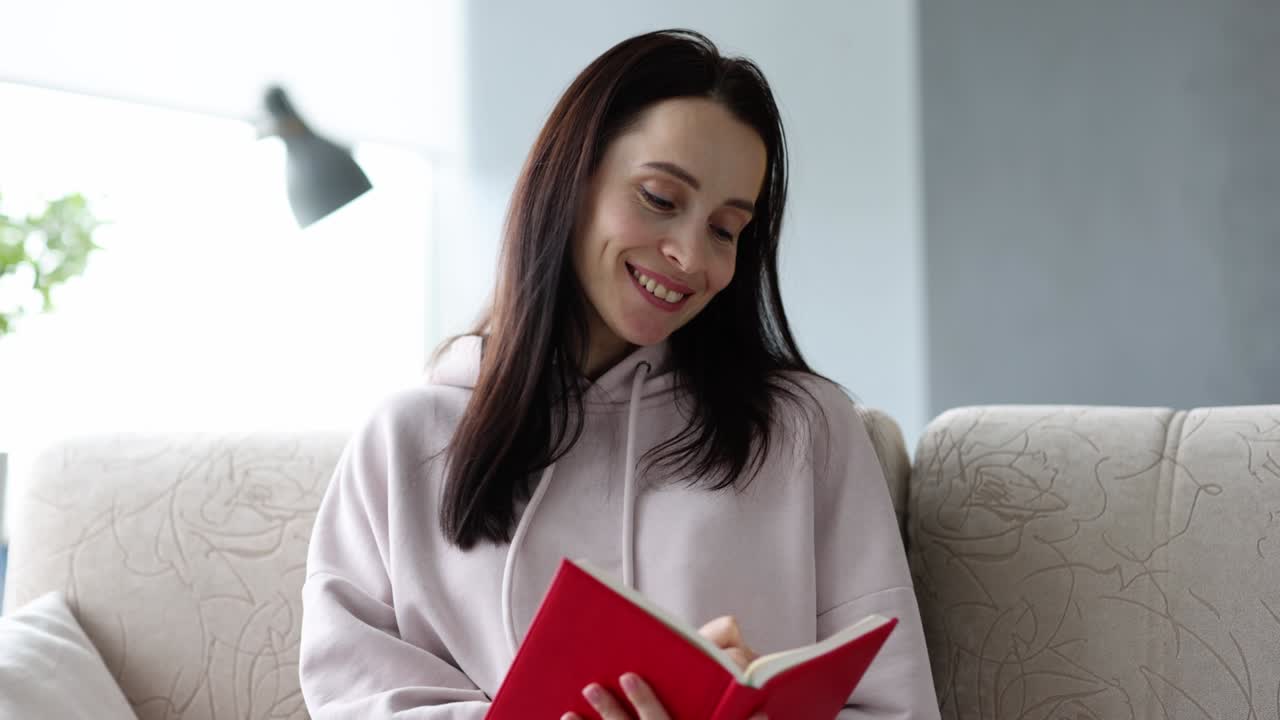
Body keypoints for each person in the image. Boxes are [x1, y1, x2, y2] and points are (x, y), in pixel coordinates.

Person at [299, 29, 940, 719]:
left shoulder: (803, 429)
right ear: (571, 181)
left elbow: (897, 705)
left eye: (726, 229)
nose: (691, 257)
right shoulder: (405, 439)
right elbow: (353, 701)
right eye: (661, 199)